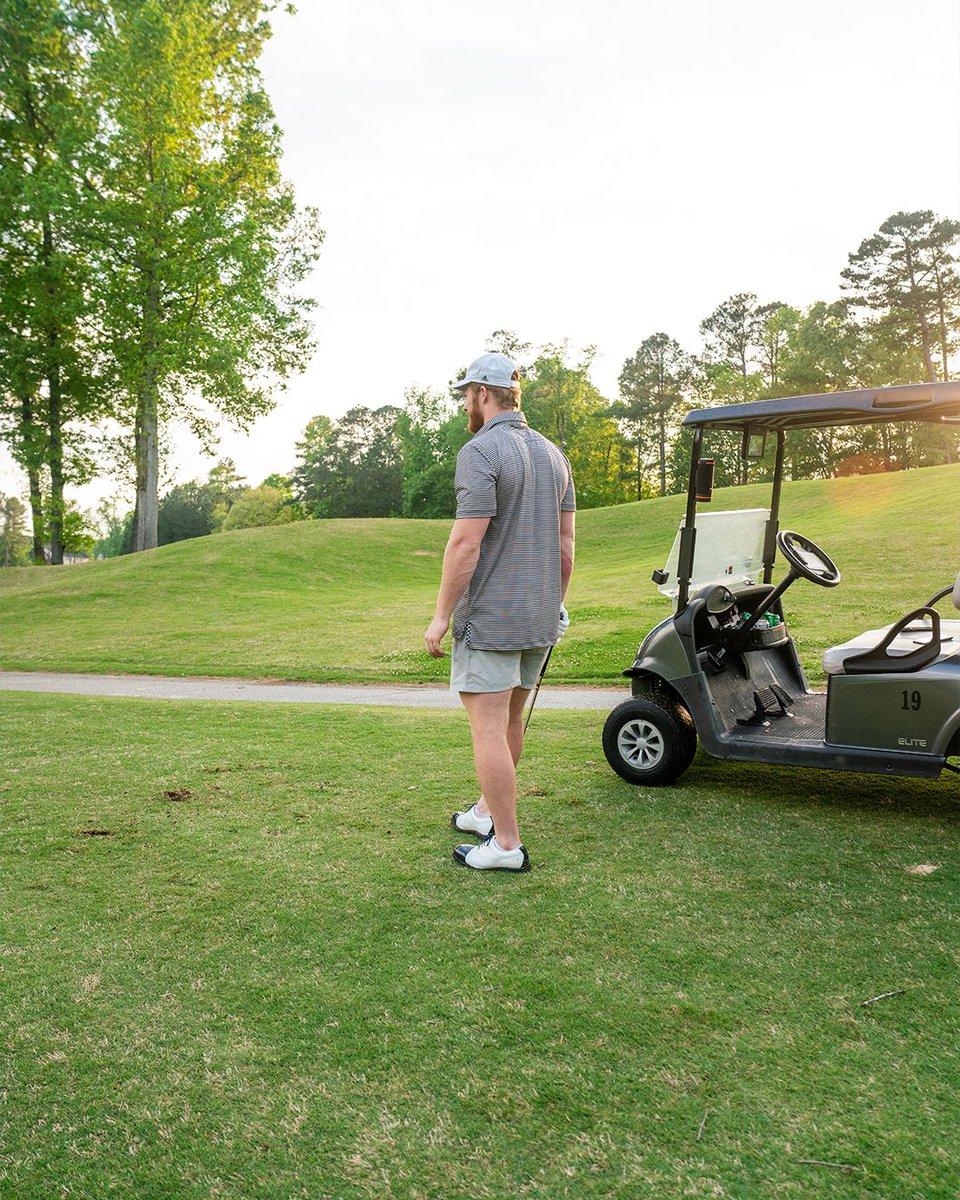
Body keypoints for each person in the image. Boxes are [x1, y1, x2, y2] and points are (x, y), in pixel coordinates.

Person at [424, 352, 576, 872]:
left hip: (490, 617)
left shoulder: (480, 450)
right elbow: (566, 546)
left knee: (487, 727)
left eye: (468, 393)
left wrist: (441, 616)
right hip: (538, 615)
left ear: (482, 394)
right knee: (510, 718)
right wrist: (553, 606)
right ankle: (487, 812)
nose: (466, 401)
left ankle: (506, 844)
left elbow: (466, 543)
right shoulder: (555, 455)